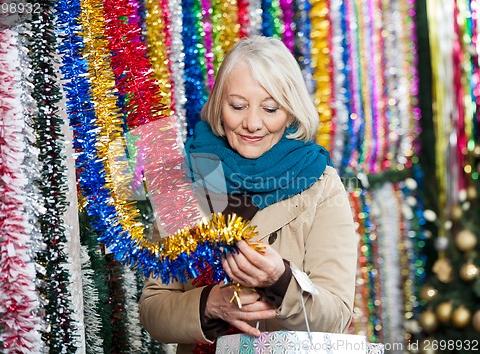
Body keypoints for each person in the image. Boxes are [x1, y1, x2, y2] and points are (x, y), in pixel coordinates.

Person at [139, 35, 358, 354]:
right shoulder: (184, 178)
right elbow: (153, 309)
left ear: (291, 112)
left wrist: (280, 282)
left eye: (270, 108)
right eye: (238, 106)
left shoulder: (321, 183)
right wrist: (208, 305)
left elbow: (336, 315)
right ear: (218, 105)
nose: (252, 123)